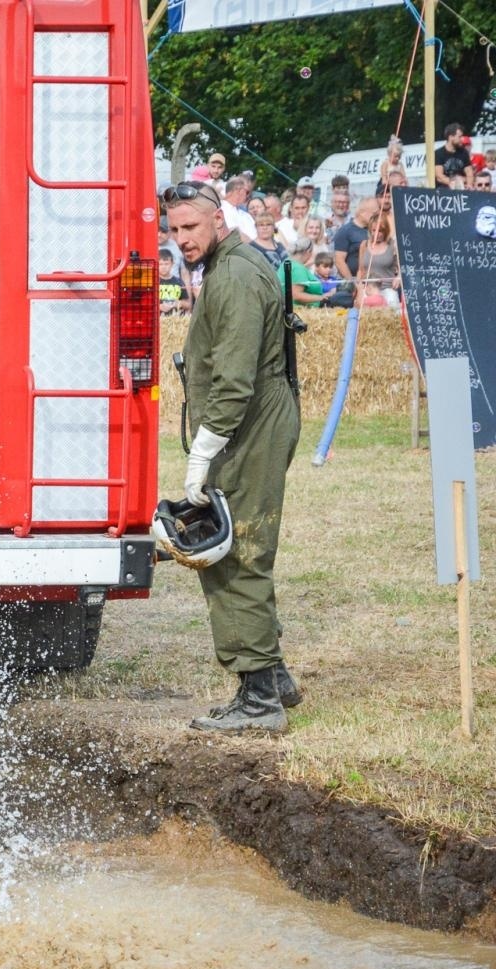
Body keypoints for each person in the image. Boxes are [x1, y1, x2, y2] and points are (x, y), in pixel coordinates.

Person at [162, 181, 301, 734]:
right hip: (252, 424)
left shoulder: (237, 276)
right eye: (173, 230)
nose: (181, 240)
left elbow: (235, 380)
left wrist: (203, 450)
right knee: (239, 542)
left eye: (190, 228)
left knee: (235, 550)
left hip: (251, 426)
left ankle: (259, 698)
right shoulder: (230, 266)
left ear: (218, 219)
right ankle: (276, 678)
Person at [330, 196, 377, 309]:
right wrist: (353, 282)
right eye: (374, 213)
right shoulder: (345, 231)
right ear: (362, 212)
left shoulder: (373, 230)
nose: (377, 216)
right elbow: (339, 260)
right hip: (356, 280)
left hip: (375, 279)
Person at [435, 123, 473, 188]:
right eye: (459, 137)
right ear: (450, 137)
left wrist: (469, 185)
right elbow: (439, 176)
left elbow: (469, 173)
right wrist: (454, 183)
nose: (462, 139)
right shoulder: (438, 153)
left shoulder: (464, 152)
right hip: (444, 190)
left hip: (462, 189)